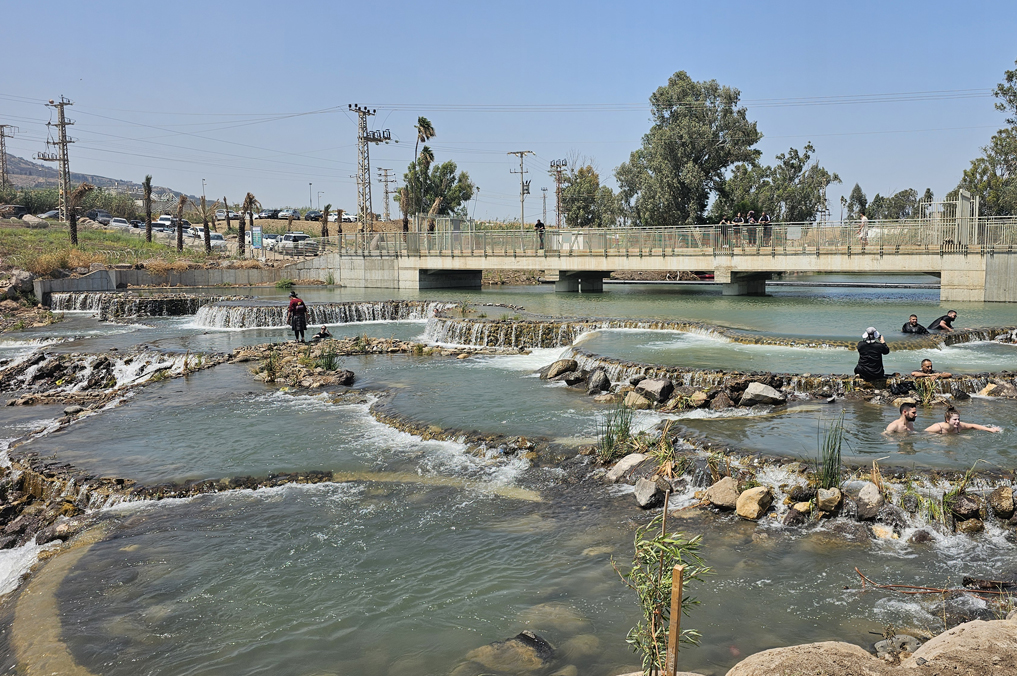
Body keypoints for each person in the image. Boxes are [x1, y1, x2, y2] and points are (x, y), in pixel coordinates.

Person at [925, 406, 1002, 434]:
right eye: (955, 419)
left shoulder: (959, 426)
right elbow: (923, 434)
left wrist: (990, 430)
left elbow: (972, 426)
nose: (958, 421)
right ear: (947, 420)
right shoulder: (938, 427)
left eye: (958, 419)